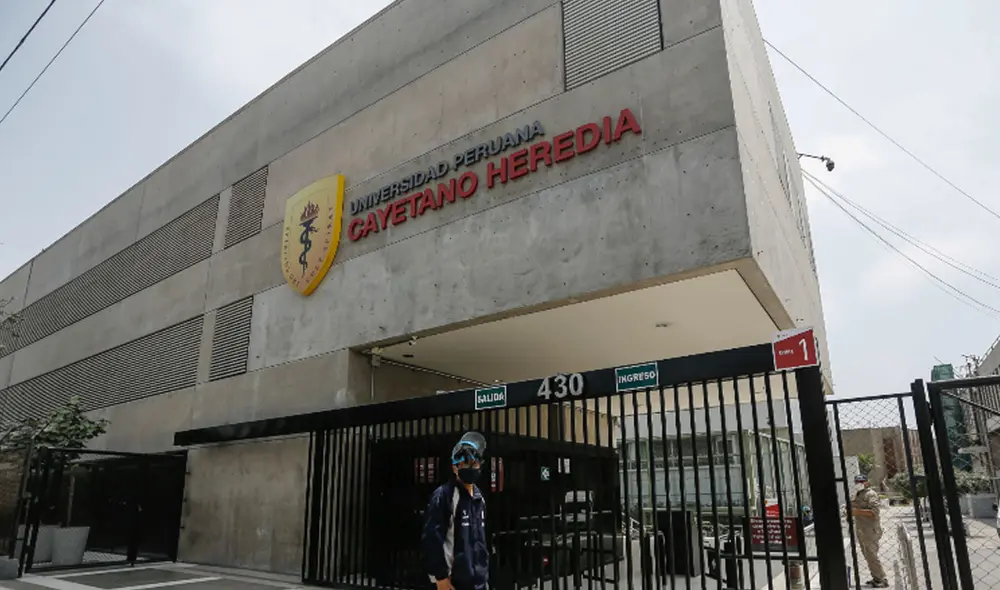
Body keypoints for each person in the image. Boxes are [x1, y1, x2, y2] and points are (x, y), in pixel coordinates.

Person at [422, 432, 489, 590]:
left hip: (478, 582)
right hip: (453, 583)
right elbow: (432, 539)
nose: (470, 468)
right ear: (455, 467)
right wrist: (440, 578)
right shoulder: (444, 496)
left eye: (474, 464)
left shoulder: (479, 498)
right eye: (465, 464)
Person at [851, 474, 887, 588]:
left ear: (867, 482)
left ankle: (882, 579)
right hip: (862, 529)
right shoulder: (858, 494)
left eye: (861, 481)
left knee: (872, 555)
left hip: (870, 530)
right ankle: (876, 578)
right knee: (867, 555)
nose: (859, 484)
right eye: (857, 481)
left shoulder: (870, 494)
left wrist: (857, 511)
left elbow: (874, 512)